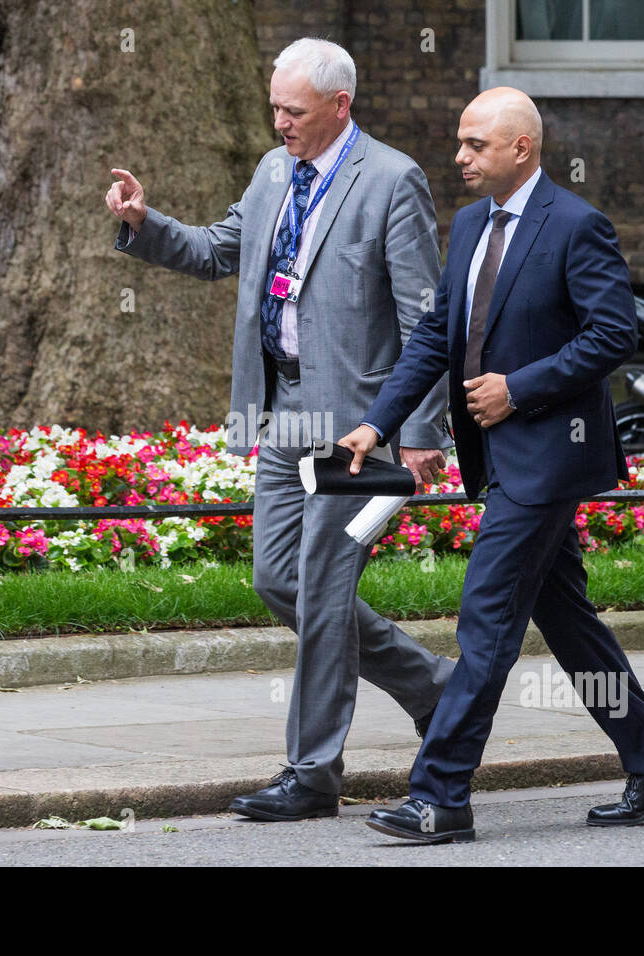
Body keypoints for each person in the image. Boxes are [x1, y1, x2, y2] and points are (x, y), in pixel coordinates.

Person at [340, 87, 644, 843]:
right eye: (461, 143)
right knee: (568, 623)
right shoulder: (471, 224)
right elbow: (438, 333)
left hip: (547, 457)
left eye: (475, 144)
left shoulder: (576, 227)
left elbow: (614, 335)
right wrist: (378, 424)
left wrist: (520, 387)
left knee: (488, 619)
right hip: (497, 458)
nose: (460, 157)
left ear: (521, 150)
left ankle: (441, 794)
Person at [105, 37, 455, 822]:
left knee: (326, 591)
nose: (279, 122)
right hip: (282, 410)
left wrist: (422, 428)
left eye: (292, 111)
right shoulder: (272, 172)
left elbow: (425, 319)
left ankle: (313, 774)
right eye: (274, 107)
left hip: (359, 426)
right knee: (279, 582)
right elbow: (216, 251)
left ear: (340, 106)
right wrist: (143, 221)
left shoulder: (393, 180)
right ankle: (436, 687)